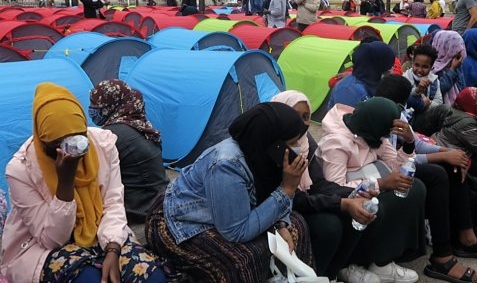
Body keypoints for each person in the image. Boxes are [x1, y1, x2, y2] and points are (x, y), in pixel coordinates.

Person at [1, 83, 167, 283]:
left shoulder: (103, 145)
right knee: (89, 278)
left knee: (151, 275)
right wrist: (65, 184)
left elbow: (113, 203)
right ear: (42, 141)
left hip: (101, 231)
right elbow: (52, 239)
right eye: (59, 145)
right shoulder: (21, 170)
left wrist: (113, 249)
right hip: (42, 246)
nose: (71, 152)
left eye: (77, 141)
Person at [319, 97, 477, 283]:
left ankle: (433, 254)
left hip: (373, 184)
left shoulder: (376, 134)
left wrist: (409, 142)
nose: (386, 138)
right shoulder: (336, 144)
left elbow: (395, 166)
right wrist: (381, 183)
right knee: (411, 188)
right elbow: (334, 189)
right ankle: (370, 261)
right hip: (354, 200)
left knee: (425, 180)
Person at [146, 103, 313, 282]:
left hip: (228, 218)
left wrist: (281, 224)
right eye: (291, 142)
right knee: (241, 260)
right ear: (272, 141)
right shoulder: (227, 165)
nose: (297, 147)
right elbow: (236, 232)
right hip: (182, 222)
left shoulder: (265, 154)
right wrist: (287, 189)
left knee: (297, 225)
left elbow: (278, 199)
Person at [273, 91, 425, 282]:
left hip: (341, 189)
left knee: (413, 188)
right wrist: (372, 187)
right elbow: (304, 190)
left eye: (306, 117)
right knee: (335, 222)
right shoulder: (335, 143)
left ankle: (380, 262)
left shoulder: (306, 143)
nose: (302, 123)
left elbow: (319, 183)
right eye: (294, 116)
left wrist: (409, 143)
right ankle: (343, 268)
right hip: (289, 204)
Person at [89, 79, 169, 223]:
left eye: (96, 105)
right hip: (159, 200)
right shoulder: (138, 124)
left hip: (139, 209)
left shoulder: (113, 134)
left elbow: (97, 175)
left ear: (110, 105)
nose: (92, 109)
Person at [328, 41, 396, 109]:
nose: (391, 69)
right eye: (389, 65)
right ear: (377, 65)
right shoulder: (348, 90)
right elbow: (348, 118)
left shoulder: (373, 81)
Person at [402, 45, 446, 134]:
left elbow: (438, 102)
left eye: (425, 67)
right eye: (416, 65)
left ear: (431, 67)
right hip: (408, 122)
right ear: (412, 62)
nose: (419, 70)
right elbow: (403, 99)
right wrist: (417, 90)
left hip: (427, 121)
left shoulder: (433, 80)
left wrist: (428, 103)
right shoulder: (405, 78)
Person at [431, 30, 466, 106]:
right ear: (446, 47)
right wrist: (452, 70)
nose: (460, 51)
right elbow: (438, 90)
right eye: (456, 48)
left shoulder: (456, 63)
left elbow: (462, 87)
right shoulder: (432, 66)